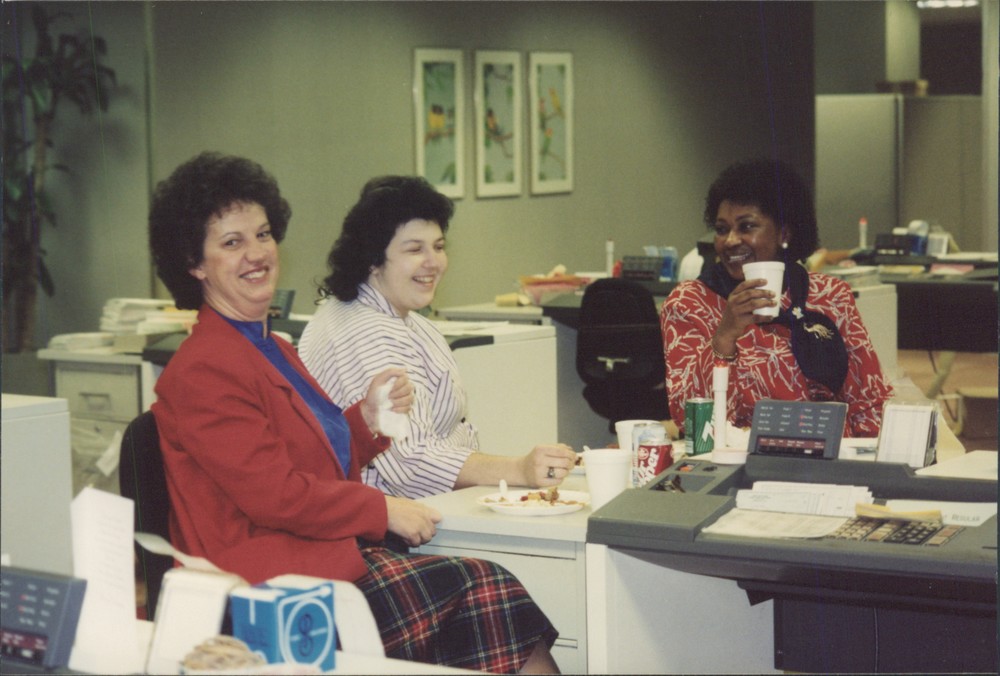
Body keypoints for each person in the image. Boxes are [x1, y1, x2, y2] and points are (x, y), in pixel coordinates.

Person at [148, 153, 559, 673]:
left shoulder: (269, 346)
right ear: (195, 263)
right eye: (232, 243)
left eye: (264, 235)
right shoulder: (206, 366)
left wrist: (364, 424)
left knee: (489, 596)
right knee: (487, 591)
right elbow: (275, 495)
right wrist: (380, 509)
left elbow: (302, 459)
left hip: (316, 560)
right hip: (266, 593)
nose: (256, 253)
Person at [298, 175, 577, 499]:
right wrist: (519, 470)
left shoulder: (403, 319)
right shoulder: (365, 335)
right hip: (383, 518)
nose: (433, 262)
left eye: (439, 247)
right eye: (415, 249)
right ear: (373, 259)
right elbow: (411, 466)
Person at [660, 158, 893, 438]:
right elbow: (692, 424)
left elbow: (869, 401)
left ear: (783, 233)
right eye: (722, 229)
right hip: (740, 456)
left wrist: (866, 455)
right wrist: (724, 337)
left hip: (833, 454)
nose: (730, 240)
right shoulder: (689, 303)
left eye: (746, 227)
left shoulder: (830, 295)